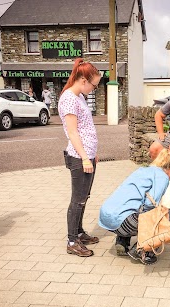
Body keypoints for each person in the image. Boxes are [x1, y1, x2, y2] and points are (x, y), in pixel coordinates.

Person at [99, 149, 170, 265]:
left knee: (131, 208)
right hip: (124, 221)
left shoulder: (144, 169)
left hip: (106, 217)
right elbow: (149, 204)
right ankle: (144, 251)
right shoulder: (162, 177)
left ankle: (122, 242)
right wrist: (157, 219)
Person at [58, 58, 101, 257]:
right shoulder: (68, 98)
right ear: (83, 80)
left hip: (87, 155)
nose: (94, 89)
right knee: (77, 200)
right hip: (78, 157)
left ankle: (80, 232)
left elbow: (86, 128)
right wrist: (84, 157)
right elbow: (73, 132)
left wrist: (92, 154)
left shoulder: (79, 97)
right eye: (94, 85)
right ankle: (72, 240)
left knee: (84, 197)